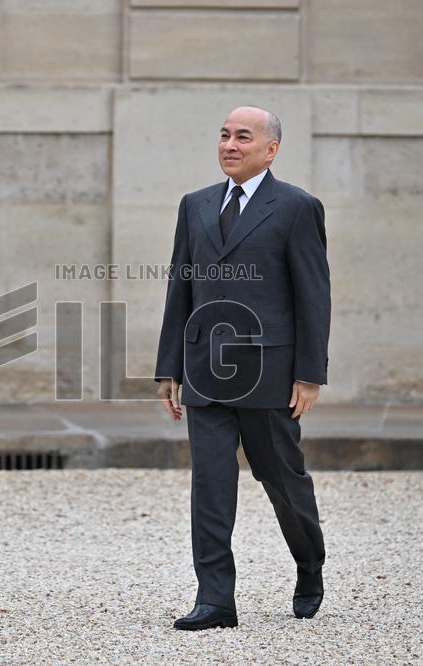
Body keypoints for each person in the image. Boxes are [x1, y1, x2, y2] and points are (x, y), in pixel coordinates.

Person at [154, 106, 330, 630]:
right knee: (210, 484)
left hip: (269, 374)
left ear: (271, 149)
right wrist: (169, 368)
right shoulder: (195, 205)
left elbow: (313, 295)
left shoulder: (297, 208)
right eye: (225, 135)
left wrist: (309, 373)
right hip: (206, 371)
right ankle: (215, 600)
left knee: (283, 481)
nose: (230, 144)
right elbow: (178, 290)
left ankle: (309, 564)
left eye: (243, 137)